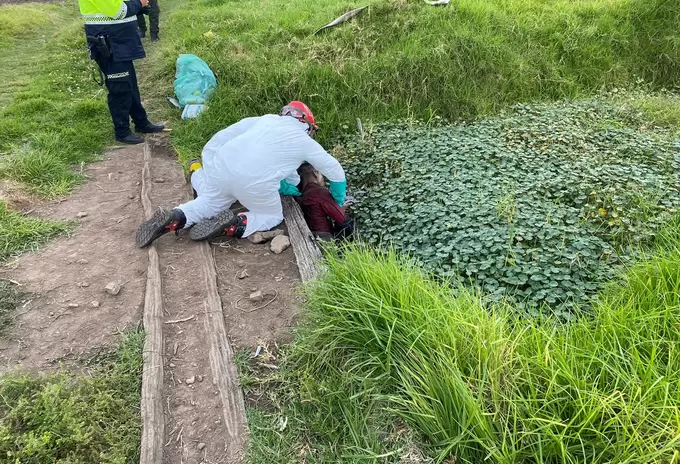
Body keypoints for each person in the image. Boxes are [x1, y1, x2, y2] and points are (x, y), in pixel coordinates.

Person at [135, 101, 347, 247]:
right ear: (306, 123)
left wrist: (211, 162)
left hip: (222, 166)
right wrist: (337, 198)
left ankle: (176, 216)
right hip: (253, 182)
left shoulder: (264, 119)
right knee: (272, 215)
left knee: (208, 203)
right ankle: (237, 224)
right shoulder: (303, 141)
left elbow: (223, 137)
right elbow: (335, 170)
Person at [79, 0, 165, 144]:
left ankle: (141, 122)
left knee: (130, 85)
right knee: (120, 88)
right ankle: (122, 131)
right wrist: (139, 3)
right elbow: (119, 11)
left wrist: (139, 8)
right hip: (109, 43)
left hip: (119, 41)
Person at [297, 163, 354, 242]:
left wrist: (341, 208)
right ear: (316, 173)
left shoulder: (299, 193)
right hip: (323, 236)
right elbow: (341, 218)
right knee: (347, 224)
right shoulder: (320, 192)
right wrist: (341, 209)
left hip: (307, 233)